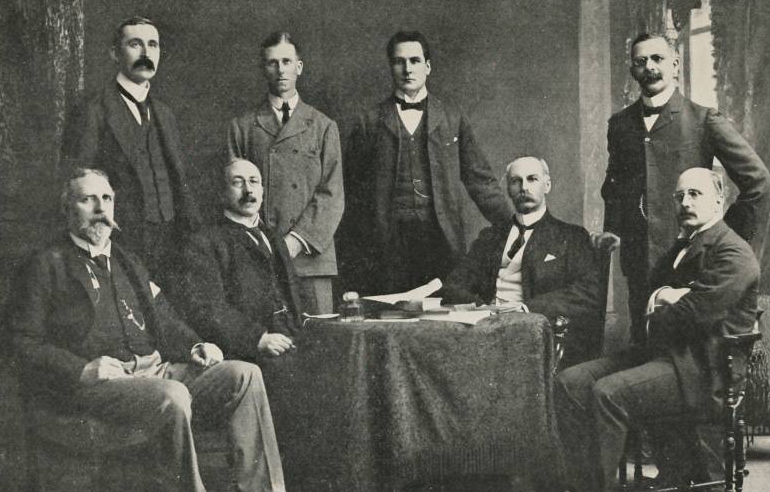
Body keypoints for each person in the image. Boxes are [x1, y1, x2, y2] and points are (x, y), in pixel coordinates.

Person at [10, 167, 320, 492]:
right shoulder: (46, 265)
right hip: (100, 384)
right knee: (172, 395)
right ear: (67, 209)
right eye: (88, 199)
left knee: (244, 374)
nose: (100, 209)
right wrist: (81, 368)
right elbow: (22, 342)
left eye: (106, 199)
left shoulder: (127, 260)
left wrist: (194, 346)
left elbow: (165, 318)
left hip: (155, 369)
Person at [539, 168, 759, 492]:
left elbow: (694, 315)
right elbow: (648, 297)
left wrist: (670, 303)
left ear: (719, 200)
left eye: (695, 194)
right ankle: (585, 488)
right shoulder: (683, 245)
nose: (685, 202)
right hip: (664, 354)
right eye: (679, 196)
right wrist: (666, 297)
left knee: (608, 393)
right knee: (569, 382)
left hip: (701, 370)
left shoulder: (733, 252)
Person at [597, 32, 770, 344]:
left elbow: (758, 181)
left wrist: (720, 237)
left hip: (690, 258)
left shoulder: (704, 119)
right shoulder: (620, 124)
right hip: (639, 262)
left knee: (687, 349)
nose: (649, 67)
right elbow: (613, 185)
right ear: (633, 70)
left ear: (675, 65)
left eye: (657, 59)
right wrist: (613, 228)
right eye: (640, 62)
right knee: (643, 342)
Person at [341, 30, 513, 295]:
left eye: (415, 61)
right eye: (399, 62)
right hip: (387, 244)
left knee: (443, 310)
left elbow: (480, 179)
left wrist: (513, 225)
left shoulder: (452, 118)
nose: (407, 69)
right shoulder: (369, 121)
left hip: (440, 239)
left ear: (428, 66)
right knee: (390, 312)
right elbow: (352, 191)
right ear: (391, 67)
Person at [63, 16, 201, 281]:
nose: (146, 53)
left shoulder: (165, 114)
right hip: (121, 244)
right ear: (115, 54)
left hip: (172, 245)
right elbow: (76, 183)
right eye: (135, 44)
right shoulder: (93, 109)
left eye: (153, 45)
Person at [226, 32, 344, 315]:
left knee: (319, 334)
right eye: (272, 63)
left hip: (311, 258)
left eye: (287, 62)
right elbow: (235, 194)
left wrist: (295, 242)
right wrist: (263, 246)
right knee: (269, 335)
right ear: (263, 69)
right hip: (259, 257)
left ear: (299, 67)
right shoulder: (242, 127)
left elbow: (333, 194)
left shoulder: (324, 126)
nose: (280, 70)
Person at [442, 156, 600, 365]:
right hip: (484, 329)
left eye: (532, 179)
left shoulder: (571, 236)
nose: (524, 187)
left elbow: (588, 292)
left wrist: (526, 308)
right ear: (508, 189)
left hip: (533, 335)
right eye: (515, 181)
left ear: (547, 185)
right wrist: (483, 308)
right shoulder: (490, 237)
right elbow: (454, 284)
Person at [176, 159, 302, 362]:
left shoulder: (273, 238)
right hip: (248, 352)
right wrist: (257, 339)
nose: (248, 190)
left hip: (291, 341)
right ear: (222, 192)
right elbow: (208, 308)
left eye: (254, 181)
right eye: (237, 182)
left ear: (262, 191)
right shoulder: (205, 241)